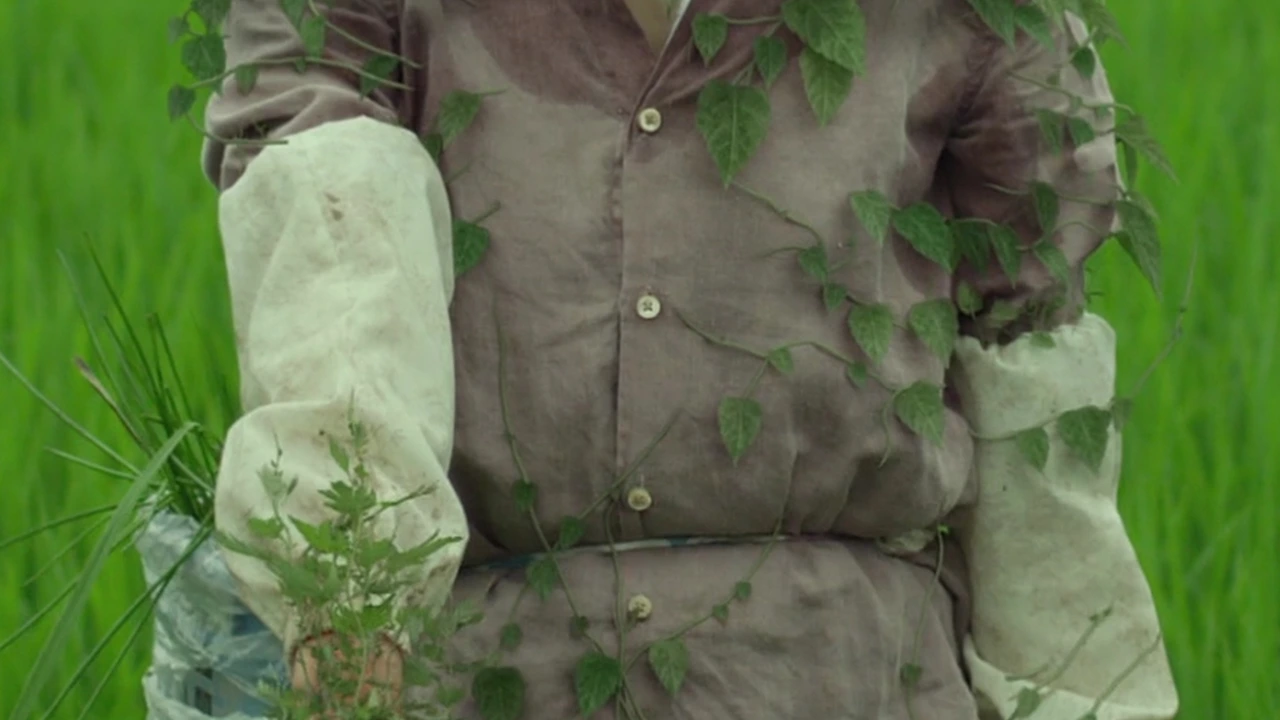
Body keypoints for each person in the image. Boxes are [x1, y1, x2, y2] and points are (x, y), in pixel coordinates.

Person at [193, 0, 1180, 717]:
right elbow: (324, 207)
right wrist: (347, 599)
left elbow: (1027, 365)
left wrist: (1078, 690)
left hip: (845, 672)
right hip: (497, 670)